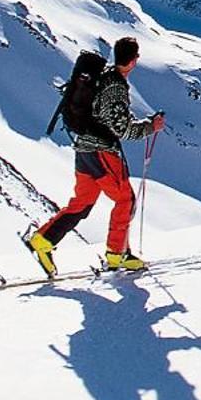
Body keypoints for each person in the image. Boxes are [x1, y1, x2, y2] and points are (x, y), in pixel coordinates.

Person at [28, 36, 165, 275]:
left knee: (82, 203)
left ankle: (43, 241)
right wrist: (150, 127)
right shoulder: (115, 87)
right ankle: (116, 255)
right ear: (134, 60)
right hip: (102, 151)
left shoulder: (102, 79)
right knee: (125, 200)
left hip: (83, 149)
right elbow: (122, 129)